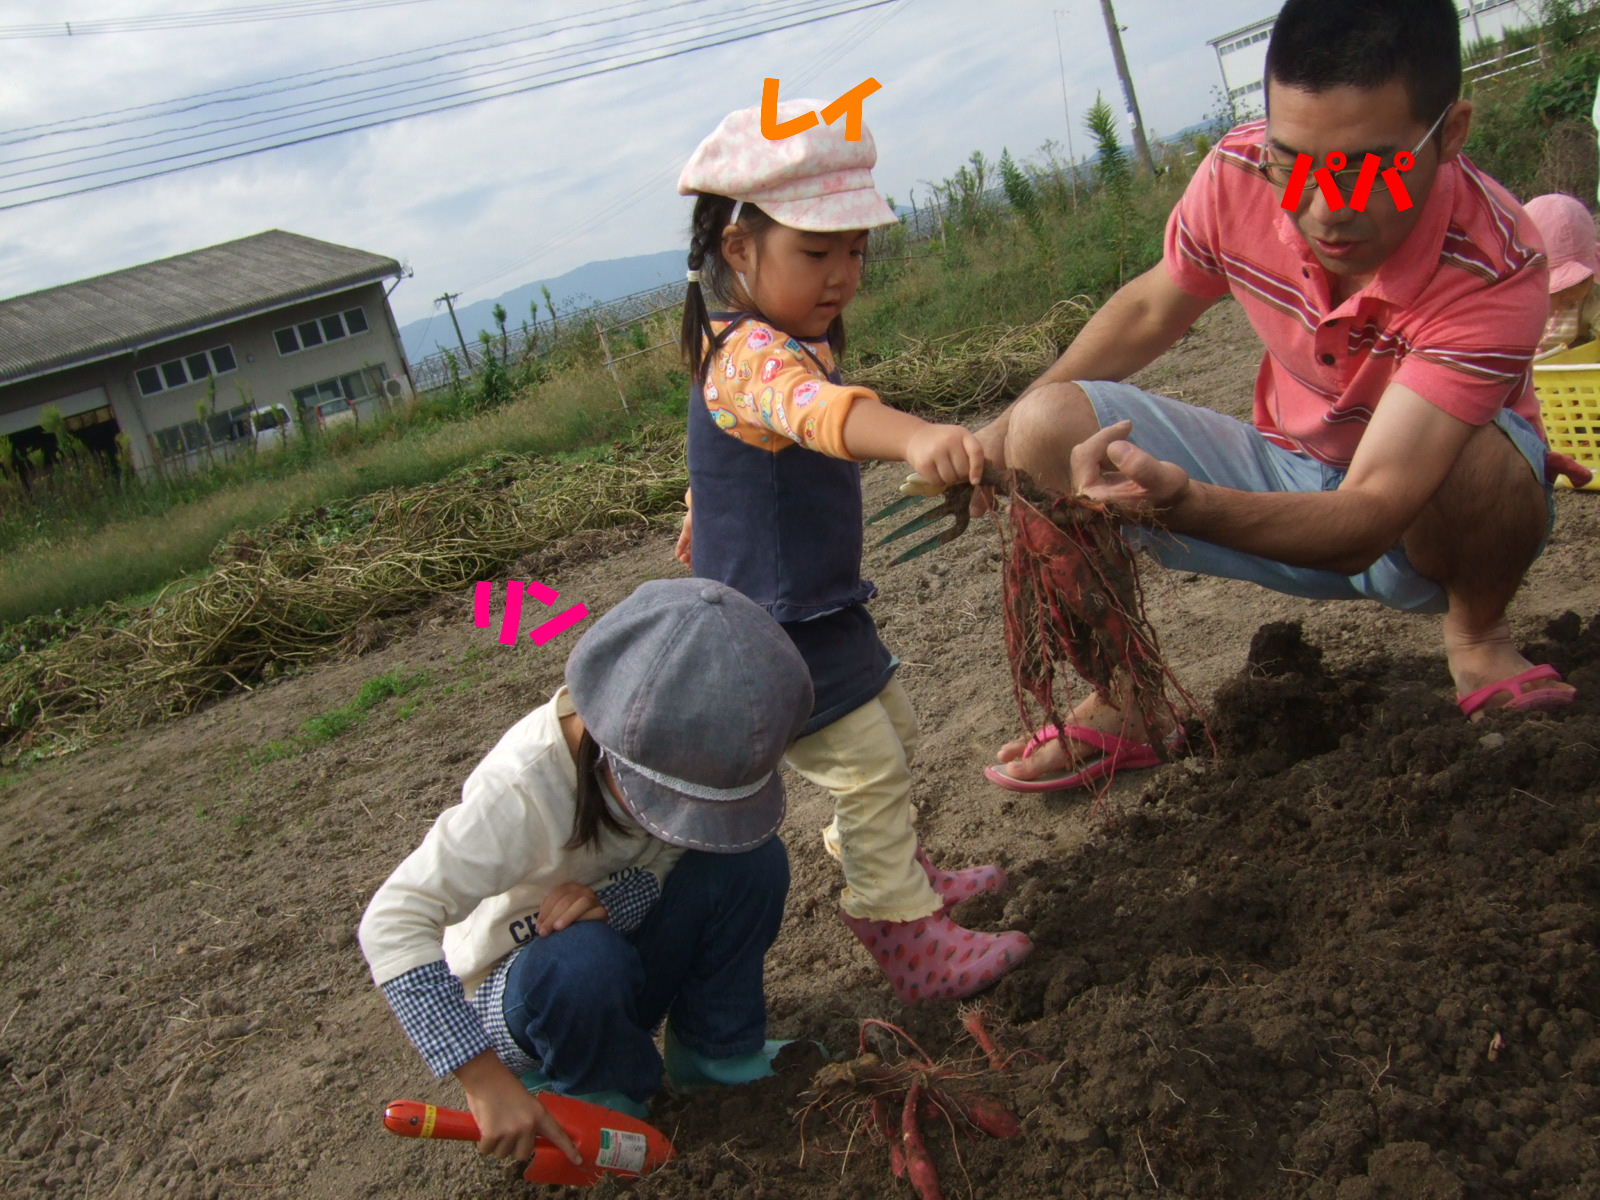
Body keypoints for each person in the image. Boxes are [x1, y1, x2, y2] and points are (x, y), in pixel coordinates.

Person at [975, 0, 1582, 792]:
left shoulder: (1493, 263)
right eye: (1293, 163)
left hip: (1419, 522)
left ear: (1452, 132)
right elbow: (1156, 305)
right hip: (1288, 467)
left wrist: (1182, 504)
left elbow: (1370, 516)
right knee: (1041, 424)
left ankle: (1478, 637)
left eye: (1371, 167)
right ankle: (1127, 701)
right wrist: (996, 433)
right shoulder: (1236, 173)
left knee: (1487, 459)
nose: (1328, 208)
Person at [671, 100, 1032, 1004]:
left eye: (855, 251)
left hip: (817, 605)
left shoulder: (783, 342)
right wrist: (914, 438)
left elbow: (730, 459)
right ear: (739, 248)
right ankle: (899, 926)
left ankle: (891, 866)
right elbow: (817, 416)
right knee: (869, 764)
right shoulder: (753, 354)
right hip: (779, 625)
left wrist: (699, 513)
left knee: (894, 737)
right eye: (816, 251)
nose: (841, 275)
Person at [358, 578, 813, 1165]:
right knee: (580, 959)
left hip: (620, 960)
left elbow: (674, 855)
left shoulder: (677, 741)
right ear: (611, 745)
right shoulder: (522, 790)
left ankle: (715, 1055)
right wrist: (484, 1080)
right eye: (679, 806)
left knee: (751, 859)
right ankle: (600, 1092)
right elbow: (391, 922)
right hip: (530, 1000)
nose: (689, 822)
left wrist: (614, 902)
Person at [1525, 193, 1600, 353]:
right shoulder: (1511, 300)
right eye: (1558, 290)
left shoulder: (1590, 299)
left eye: (1581, 282)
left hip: (1565, 372)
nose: (1571, 294)